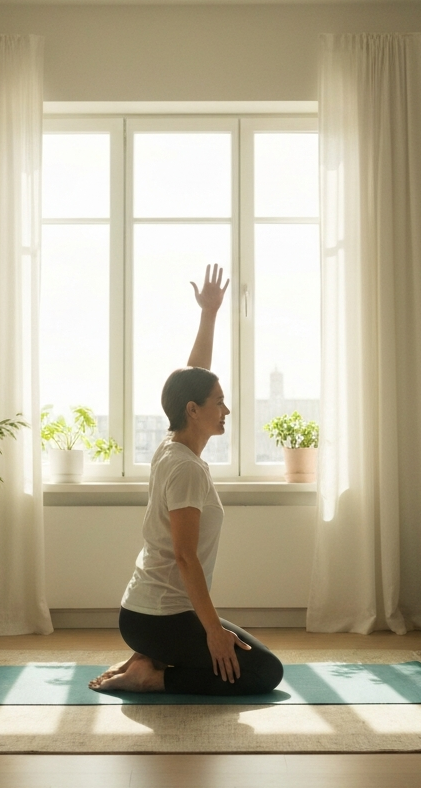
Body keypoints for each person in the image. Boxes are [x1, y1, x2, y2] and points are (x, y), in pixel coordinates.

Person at [89, 264, 285, 696]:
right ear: (194, 411)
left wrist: (210, 314)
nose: (226, 411)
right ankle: (151, 673)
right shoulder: (186, 468)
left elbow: (191, 376)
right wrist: (213, 632)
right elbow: (184, 556)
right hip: (156, 617)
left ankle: (150, 655)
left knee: (255, 660)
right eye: (220, 403)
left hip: (156, 613)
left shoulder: (172, 443)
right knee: (264, 673)